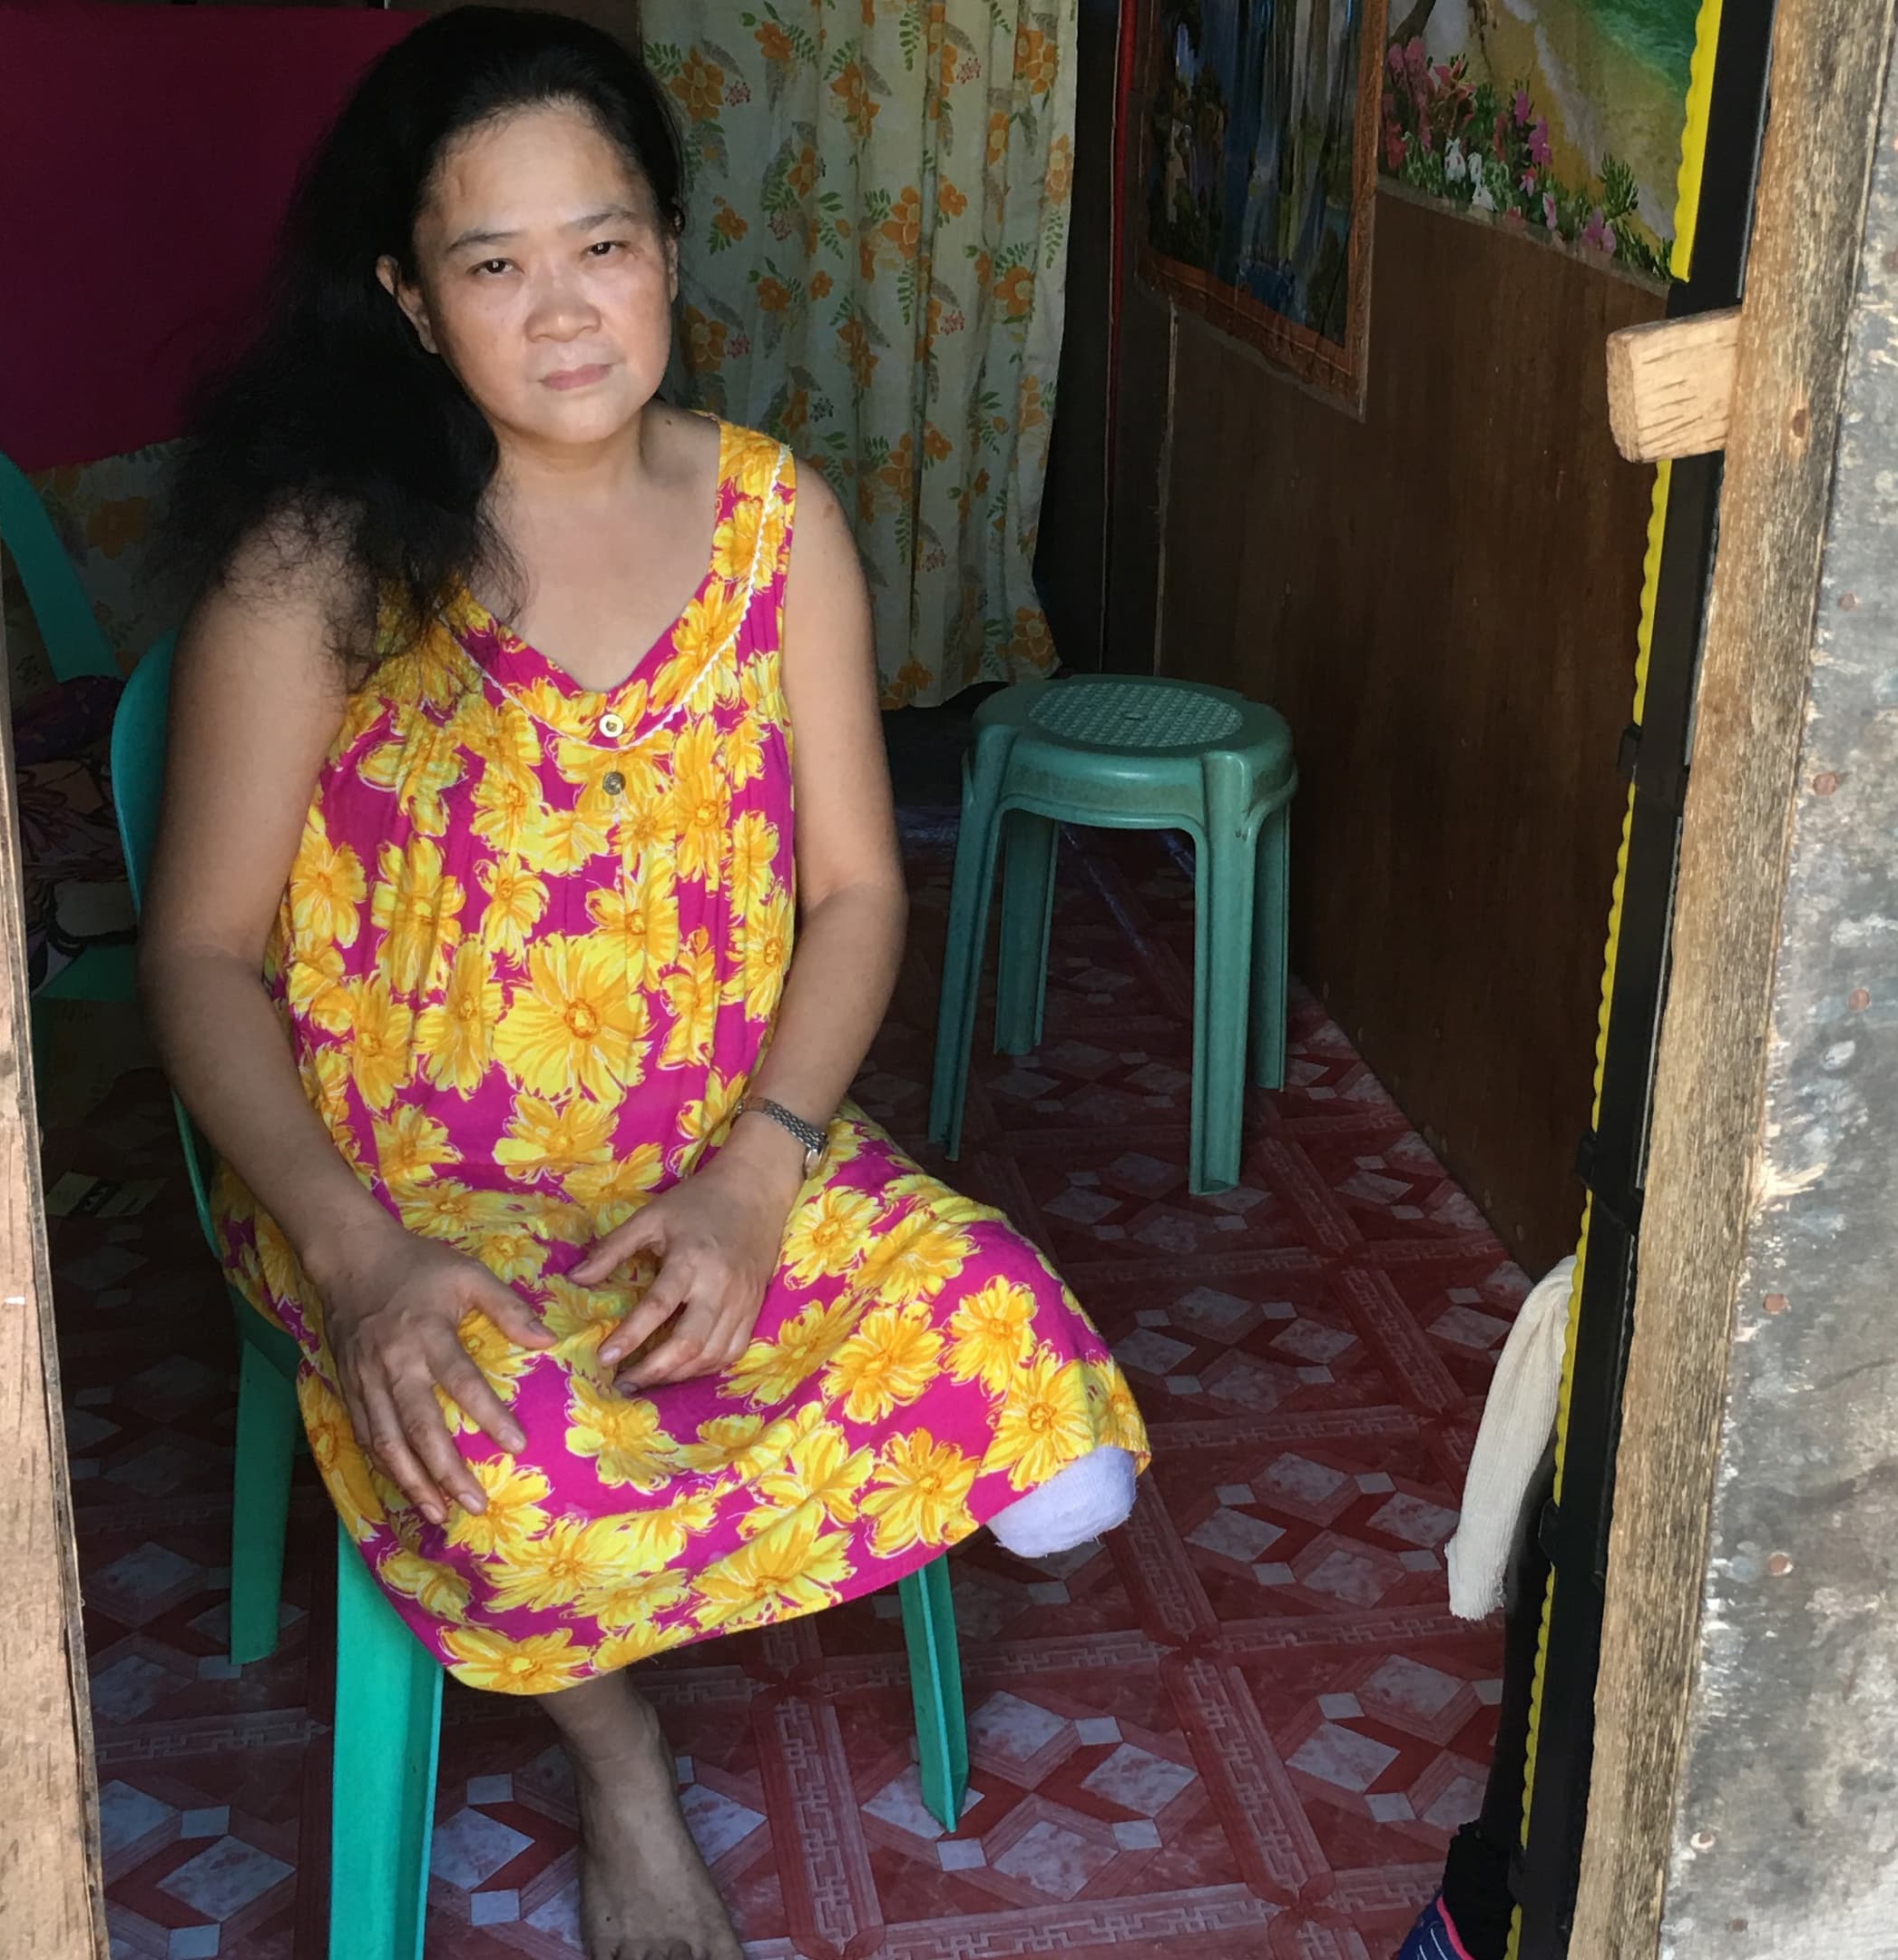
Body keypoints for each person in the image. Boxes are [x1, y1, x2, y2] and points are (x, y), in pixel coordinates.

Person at [140, 15, 1147, 1954]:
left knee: (1047, 1403)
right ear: (411, 303)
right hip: (393, 1188)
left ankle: (672, 1516)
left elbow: (858, 892)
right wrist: (357, 1254)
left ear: (669, 250)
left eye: (600, 244)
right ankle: (617, 1764)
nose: (563, 311)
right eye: (491, 263)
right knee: (505, 1462)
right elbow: (194, 956)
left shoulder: (775, 521)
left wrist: (761, 1174)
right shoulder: (322, 560)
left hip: (723, 1146)